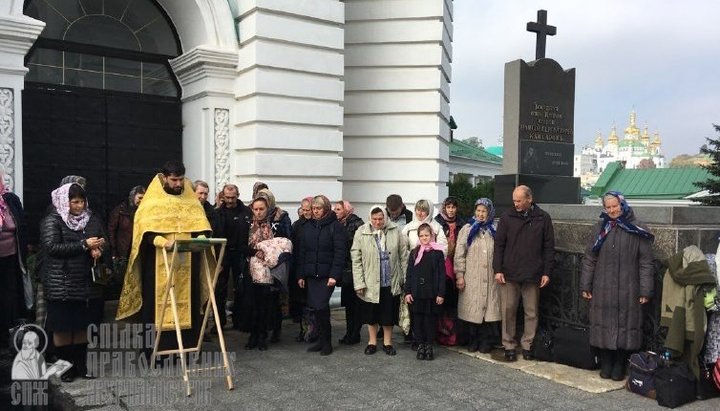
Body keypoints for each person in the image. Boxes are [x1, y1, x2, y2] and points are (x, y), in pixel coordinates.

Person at [116, 161, 215, 358]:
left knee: (189, 303)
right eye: (174, 179)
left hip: (188, 262)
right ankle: (156, 352)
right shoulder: (152, 200)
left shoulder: (190, 199)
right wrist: (160, 241)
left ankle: (186, 350)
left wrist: (202, 236)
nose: (178, 184)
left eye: (180, 179)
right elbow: (143, 232)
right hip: (157, 262)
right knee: (156, 306)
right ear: (164, 177)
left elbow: (200, 224)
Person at [581, 191, 654, 380]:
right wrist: (585, 285)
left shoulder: (637, 229)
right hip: (602, 287)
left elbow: (645, 262)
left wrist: (646, 290)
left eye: (615, 206)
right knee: (604, 325)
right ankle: (606, 362)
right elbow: (590, 258)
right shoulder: (600, 228)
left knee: (625, 325)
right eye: (608, 207)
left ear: (623, 205)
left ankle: (620, 364)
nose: (612, 210)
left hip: (629, 288)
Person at [40, 182, 108, 381]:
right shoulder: (52, 220)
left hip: (87, 284)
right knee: (63, 327)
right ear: (65, 201)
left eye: (81, 201)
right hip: (62, 284)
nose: (79, 206)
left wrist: (99, 249)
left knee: (81, 327)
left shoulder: (92, 219)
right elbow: (52, 248)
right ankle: (66, 369)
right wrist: (83, 245)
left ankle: (81, 366)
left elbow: (104, 240)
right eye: (74, 202)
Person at [493, 185, 554, 362]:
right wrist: (498, 269)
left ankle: (528, 344)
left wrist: (546, 272)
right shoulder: (506, 217)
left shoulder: (543, 218)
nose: (516, 204)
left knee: (531, 311)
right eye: (514, 200)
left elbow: (548, 247)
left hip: (533, 272)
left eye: (519, 201)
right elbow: (499, 245)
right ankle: (509, 344)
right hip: (509, 273)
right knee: (508, 310)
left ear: (529, 199)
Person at [352, 205, 409, 356]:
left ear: (385, 217)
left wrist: (405, 279)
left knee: (388, 313)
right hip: (370, 280)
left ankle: (387, 342)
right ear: (370, 218)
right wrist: (359, 283)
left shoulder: (395, 230)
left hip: (390, 280)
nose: (377, 222)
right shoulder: (362, 232)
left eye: (380, 218)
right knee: (371, 314)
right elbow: (356, 259)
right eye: (375, 219)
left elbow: (403, 256)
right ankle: (372, 342)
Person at [296, 195, 346, 355]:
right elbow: (302, 252)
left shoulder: (335, 226)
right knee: (315, 309)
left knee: (321, 306)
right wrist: (301, 275)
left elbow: (340, 252)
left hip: (326, 275)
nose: (315, 212)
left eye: (319, 209)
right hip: (311, 274)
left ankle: (327, 342)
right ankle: (319, 339)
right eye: (314, 209)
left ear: (325, 209)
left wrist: (334, 275)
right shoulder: (308, 227)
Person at [454, 198, 501, 353]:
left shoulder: (494, 230)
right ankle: (472, 339)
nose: (481, 214)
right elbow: (459, 254)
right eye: (478, 211)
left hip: (490, 278)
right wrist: (459, 275)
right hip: (472, 277)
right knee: (473, 310)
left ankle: (486, 340)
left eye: (484, 211)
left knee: (488, 311)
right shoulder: (467, 230)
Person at [401, 199, 447, 345]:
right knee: (416, 316)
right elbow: (403, 248)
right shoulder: (409, 228)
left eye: (424, 210)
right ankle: (417, 340)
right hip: (415, 281)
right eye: (418, 210)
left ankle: (428, 343)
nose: (420, 213)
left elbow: (443, 250)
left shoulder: (436, 228)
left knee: (429, 317)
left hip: (431, 280)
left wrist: (440, 293)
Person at [254, 187, 291, 342]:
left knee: (274, 299)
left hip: (275, 264)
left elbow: (286, 238)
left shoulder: (280, 217)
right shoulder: (252, 220)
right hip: (256, 266)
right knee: (259, 301)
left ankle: (275, 329)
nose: (259, 211)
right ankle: (260, 332)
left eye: (263, 206)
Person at [211, 183, 250, 330]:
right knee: (219, 289)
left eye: (232, 197)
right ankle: (219, 322)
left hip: (240, 253)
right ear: (223, 196)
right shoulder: (217, 213)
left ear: (237, 196)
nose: (230, 200)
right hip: (223, 254)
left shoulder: (247, 212)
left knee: (241, 288)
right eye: (227, 197)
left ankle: (239, 320)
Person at [404, 223, 446, 360]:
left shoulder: (438, 253)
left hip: (431, 293)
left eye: (426, 235)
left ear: (432, 235)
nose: (424, 238)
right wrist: (408, 291)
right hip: (417, 292)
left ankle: (429, 345)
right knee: (418, 320)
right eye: (421, 236)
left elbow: (441, 274)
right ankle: (420, 344)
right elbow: (409, 273)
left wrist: (440, 293)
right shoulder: (415, 252)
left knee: (429, 320)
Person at [0, 171, 28, 350]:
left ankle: (6, 337)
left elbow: (20, 224)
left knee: (9, 297)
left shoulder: (10, 199)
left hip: (11, 256)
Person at [244, 196, 276, 351]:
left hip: (267, 269)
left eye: (261, 209)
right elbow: (240, 245)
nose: (258, 212)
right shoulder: (247, 225)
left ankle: (263, 336)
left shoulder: (273, 225)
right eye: (255, 209)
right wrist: (255, 251)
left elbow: (280, 245)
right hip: (249, 268)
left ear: (267, 209)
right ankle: (253, 335)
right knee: (251, 304)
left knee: (264, 304)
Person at [434, 196, 466, 346]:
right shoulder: (437, 223)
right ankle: (440, 332)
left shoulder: (462, 223)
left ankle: (454, 332)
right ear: (444, 208)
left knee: (455, 300)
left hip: (458, 263)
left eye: (453, 207)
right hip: (443, 264)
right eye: (448, 207)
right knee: (443, 296)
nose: (451, 210)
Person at [334, 200, 365, 345]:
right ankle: (349, 332)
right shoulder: (338, 223)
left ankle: (355, 333)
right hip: (345, 269)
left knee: (355, 304)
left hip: (355, 269)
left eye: (339, 209)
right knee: (348, 304)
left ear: (347, 210)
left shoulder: (356, 223)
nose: (336, 211)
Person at [107, 185, 145, 298]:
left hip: (138, 251)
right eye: (140, 198)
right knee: (122, 281)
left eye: (144, 198)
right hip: (123, 252)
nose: (141, 201)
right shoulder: (120, 211)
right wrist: (114, 252)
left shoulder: (144, 212)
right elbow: (111, 230)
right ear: (133, 197)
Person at [290, 197, 313, 341]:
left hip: (312, 268)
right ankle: (303, 329)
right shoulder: (297, 225)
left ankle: (312, 330)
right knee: (300, 301)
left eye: (308, 210)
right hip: (299, 266)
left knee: (312, 302)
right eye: (303, 210)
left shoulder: (317, 224)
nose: (305, 213)